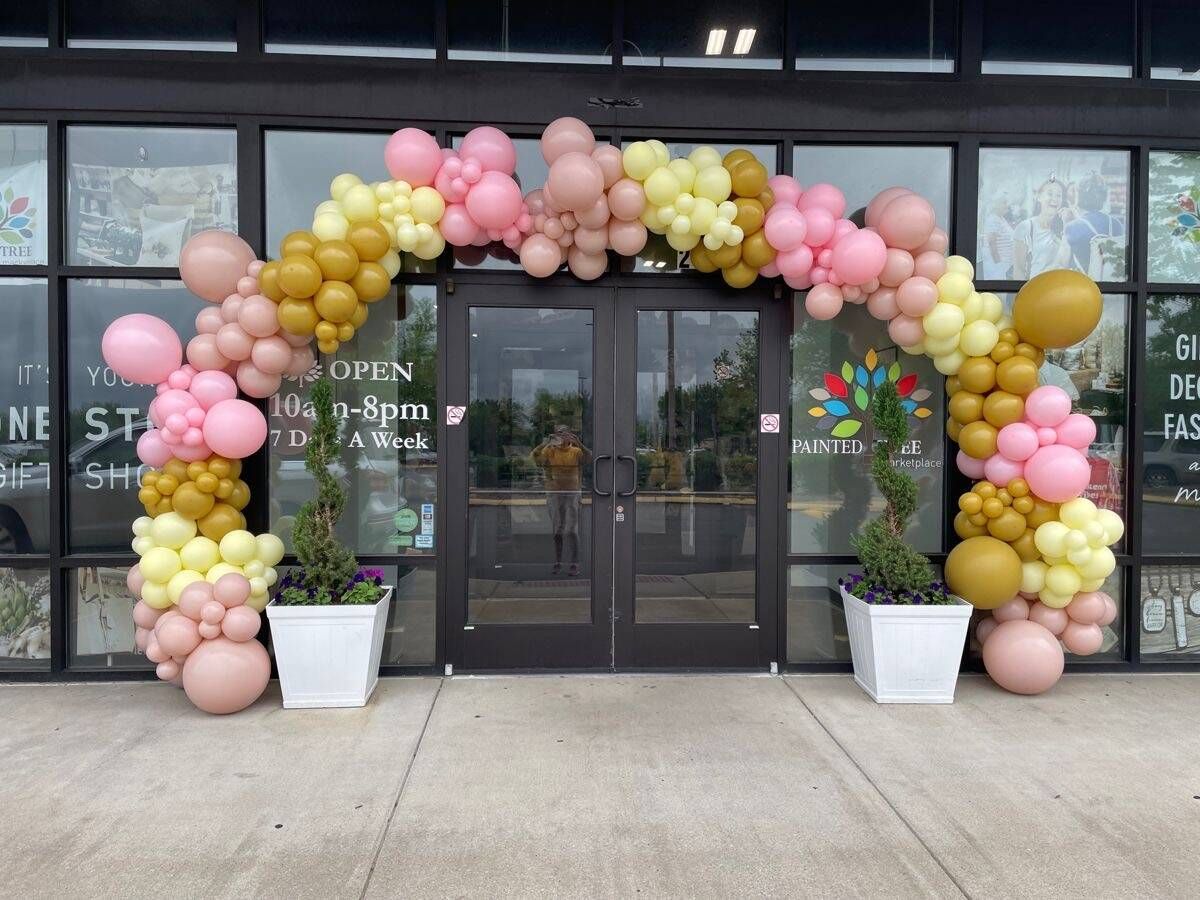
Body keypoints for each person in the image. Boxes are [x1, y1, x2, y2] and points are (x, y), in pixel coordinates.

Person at [532, 424, 591, 576]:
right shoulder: (549, 451)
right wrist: (545, 443)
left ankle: (574, 562)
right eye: (558, 434)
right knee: (557, 530)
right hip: (554, 493)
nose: (561, 437)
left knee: (571, 530)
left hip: (572, 493)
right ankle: (558, 561)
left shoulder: (576, 451)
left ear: (570, 435)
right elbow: (534, 458)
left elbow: (590, 459)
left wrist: (579, 443)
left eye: (565, 433)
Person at [1062, 173, 1125, 280]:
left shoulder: (1072, 227)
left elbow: (1062, 264)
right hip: (1112, 288)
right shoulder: (1116, 224)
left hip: (1086, 288)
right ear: (1103, 197)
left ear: (1079, 196)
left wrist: (1065, 223)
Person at [1012, 177, 1066, 279]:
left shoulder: (1064, 227)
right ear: (1039, 197)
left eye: (1059, 195)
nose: (1054, 199)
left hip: (1059, 289)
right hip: (1035, 289)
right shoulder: (1026, 227)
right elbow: (1018, 270)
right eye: (1050, 194)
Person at [979, 194, 1014, 279]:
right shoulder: (992, 220)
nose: (1007, 205)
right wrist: (999, 264)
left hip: (1003, 266)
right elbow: (992, 243)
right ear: (996, 205)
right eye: (1004, 203)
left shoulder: (1001, 218)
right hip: (996, 266)